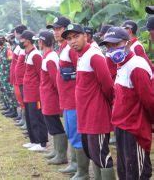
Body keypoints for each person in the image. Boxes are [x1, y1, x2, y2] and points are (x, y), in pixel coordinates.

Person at [62, 23, 116, 180]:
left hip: (96, 115)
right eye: (69, 38)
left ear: (85, 36)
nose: (73, 41)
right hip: (85, 114)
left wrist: (102, 107)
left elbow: (108, 86)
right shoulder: (81, 55)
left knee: (101, 154)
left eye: (76, 36)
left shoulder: (95, 56)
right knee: (92, 152)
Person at [100, 27, 154, 180]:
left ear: (128, 43)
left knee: (137, 172)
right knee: (124, 170)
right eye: (108, 46)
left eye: (116, 44)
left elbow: (149, 100)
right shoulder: (121, 65)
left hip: (134, 129)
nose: (111, 49)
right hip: (121, 126)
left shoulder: (136, 66)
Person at [49, 16, 81, 175]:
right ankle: (75, 164)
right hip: (66, 99)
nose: (55, 32)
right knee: (70, 132)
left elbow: (80, 72)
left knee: (76, 134)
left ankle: (79, 168)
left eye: (59, 28)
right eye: (54, 29)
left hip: (74, 100)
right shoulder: (62, 48)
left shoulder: (70, 49)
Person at [37, 30, 68, 165]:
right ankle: (56, 151)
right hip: (47, 96)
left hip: (51, 98)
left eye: (38, 41)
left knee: (55, 125)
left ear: (42, 42)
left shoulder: (50, 58)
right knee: (51, 124)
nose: (38, 43)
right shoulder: (48, 56)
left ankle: (61, 155)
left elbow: (56, 81)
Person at [20, 30, 48, 152]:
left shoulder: (36, 55)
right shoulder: (28, 53)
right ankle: (33, 140)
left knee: (37, 117)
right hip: (28, 92)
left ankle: (41, 142)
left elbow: (40, 74)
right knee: (30, 117)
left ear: (28, 40)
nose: (20, 42)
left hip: (35, 93)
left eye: (22, 39)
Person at [0, 35, 18, 118]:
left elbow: (10, 61)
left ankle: (14, 110)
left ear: (4, 40)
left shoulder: (7, 48)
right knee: (6, 92)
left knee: (10, 92)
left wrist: (10, 74)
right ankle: (9, 108)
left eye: (0, 39)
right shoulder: (1, 48)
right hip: (3, 74)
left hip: (7, 74)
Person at [14, 25, 28, 129]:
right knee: (20, 100)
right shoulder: (20, 47)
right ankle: (23, 119)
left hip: (23, 81)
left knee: (24, 101)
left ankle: (26, 121)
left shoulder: (29, 51)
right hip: (18, 79)